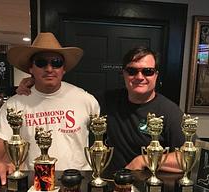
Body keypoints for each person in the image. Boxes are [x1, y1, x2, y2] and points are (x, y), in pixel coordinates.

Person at [16, 46, 185, 176]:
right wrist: (35, 82)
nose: (140, 77)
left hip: (148, 191)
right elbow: (70, 97)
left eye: (147, 71)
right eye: (132, 71)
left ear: (156, 75)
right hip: (108, 187)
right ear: (124, 74)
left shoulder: (170, 111)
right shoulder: (104, 101)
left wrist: (145, 160)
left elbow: (188, 157)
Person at [0, 32, 100, 188]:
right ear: (31, 68)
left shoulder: (86, 100)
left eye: (56, 62)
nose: (49, 68)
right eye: (41, 62)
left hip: (79, 183)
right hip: (38, 184)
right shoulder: (14, 105)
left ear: (63, 68)